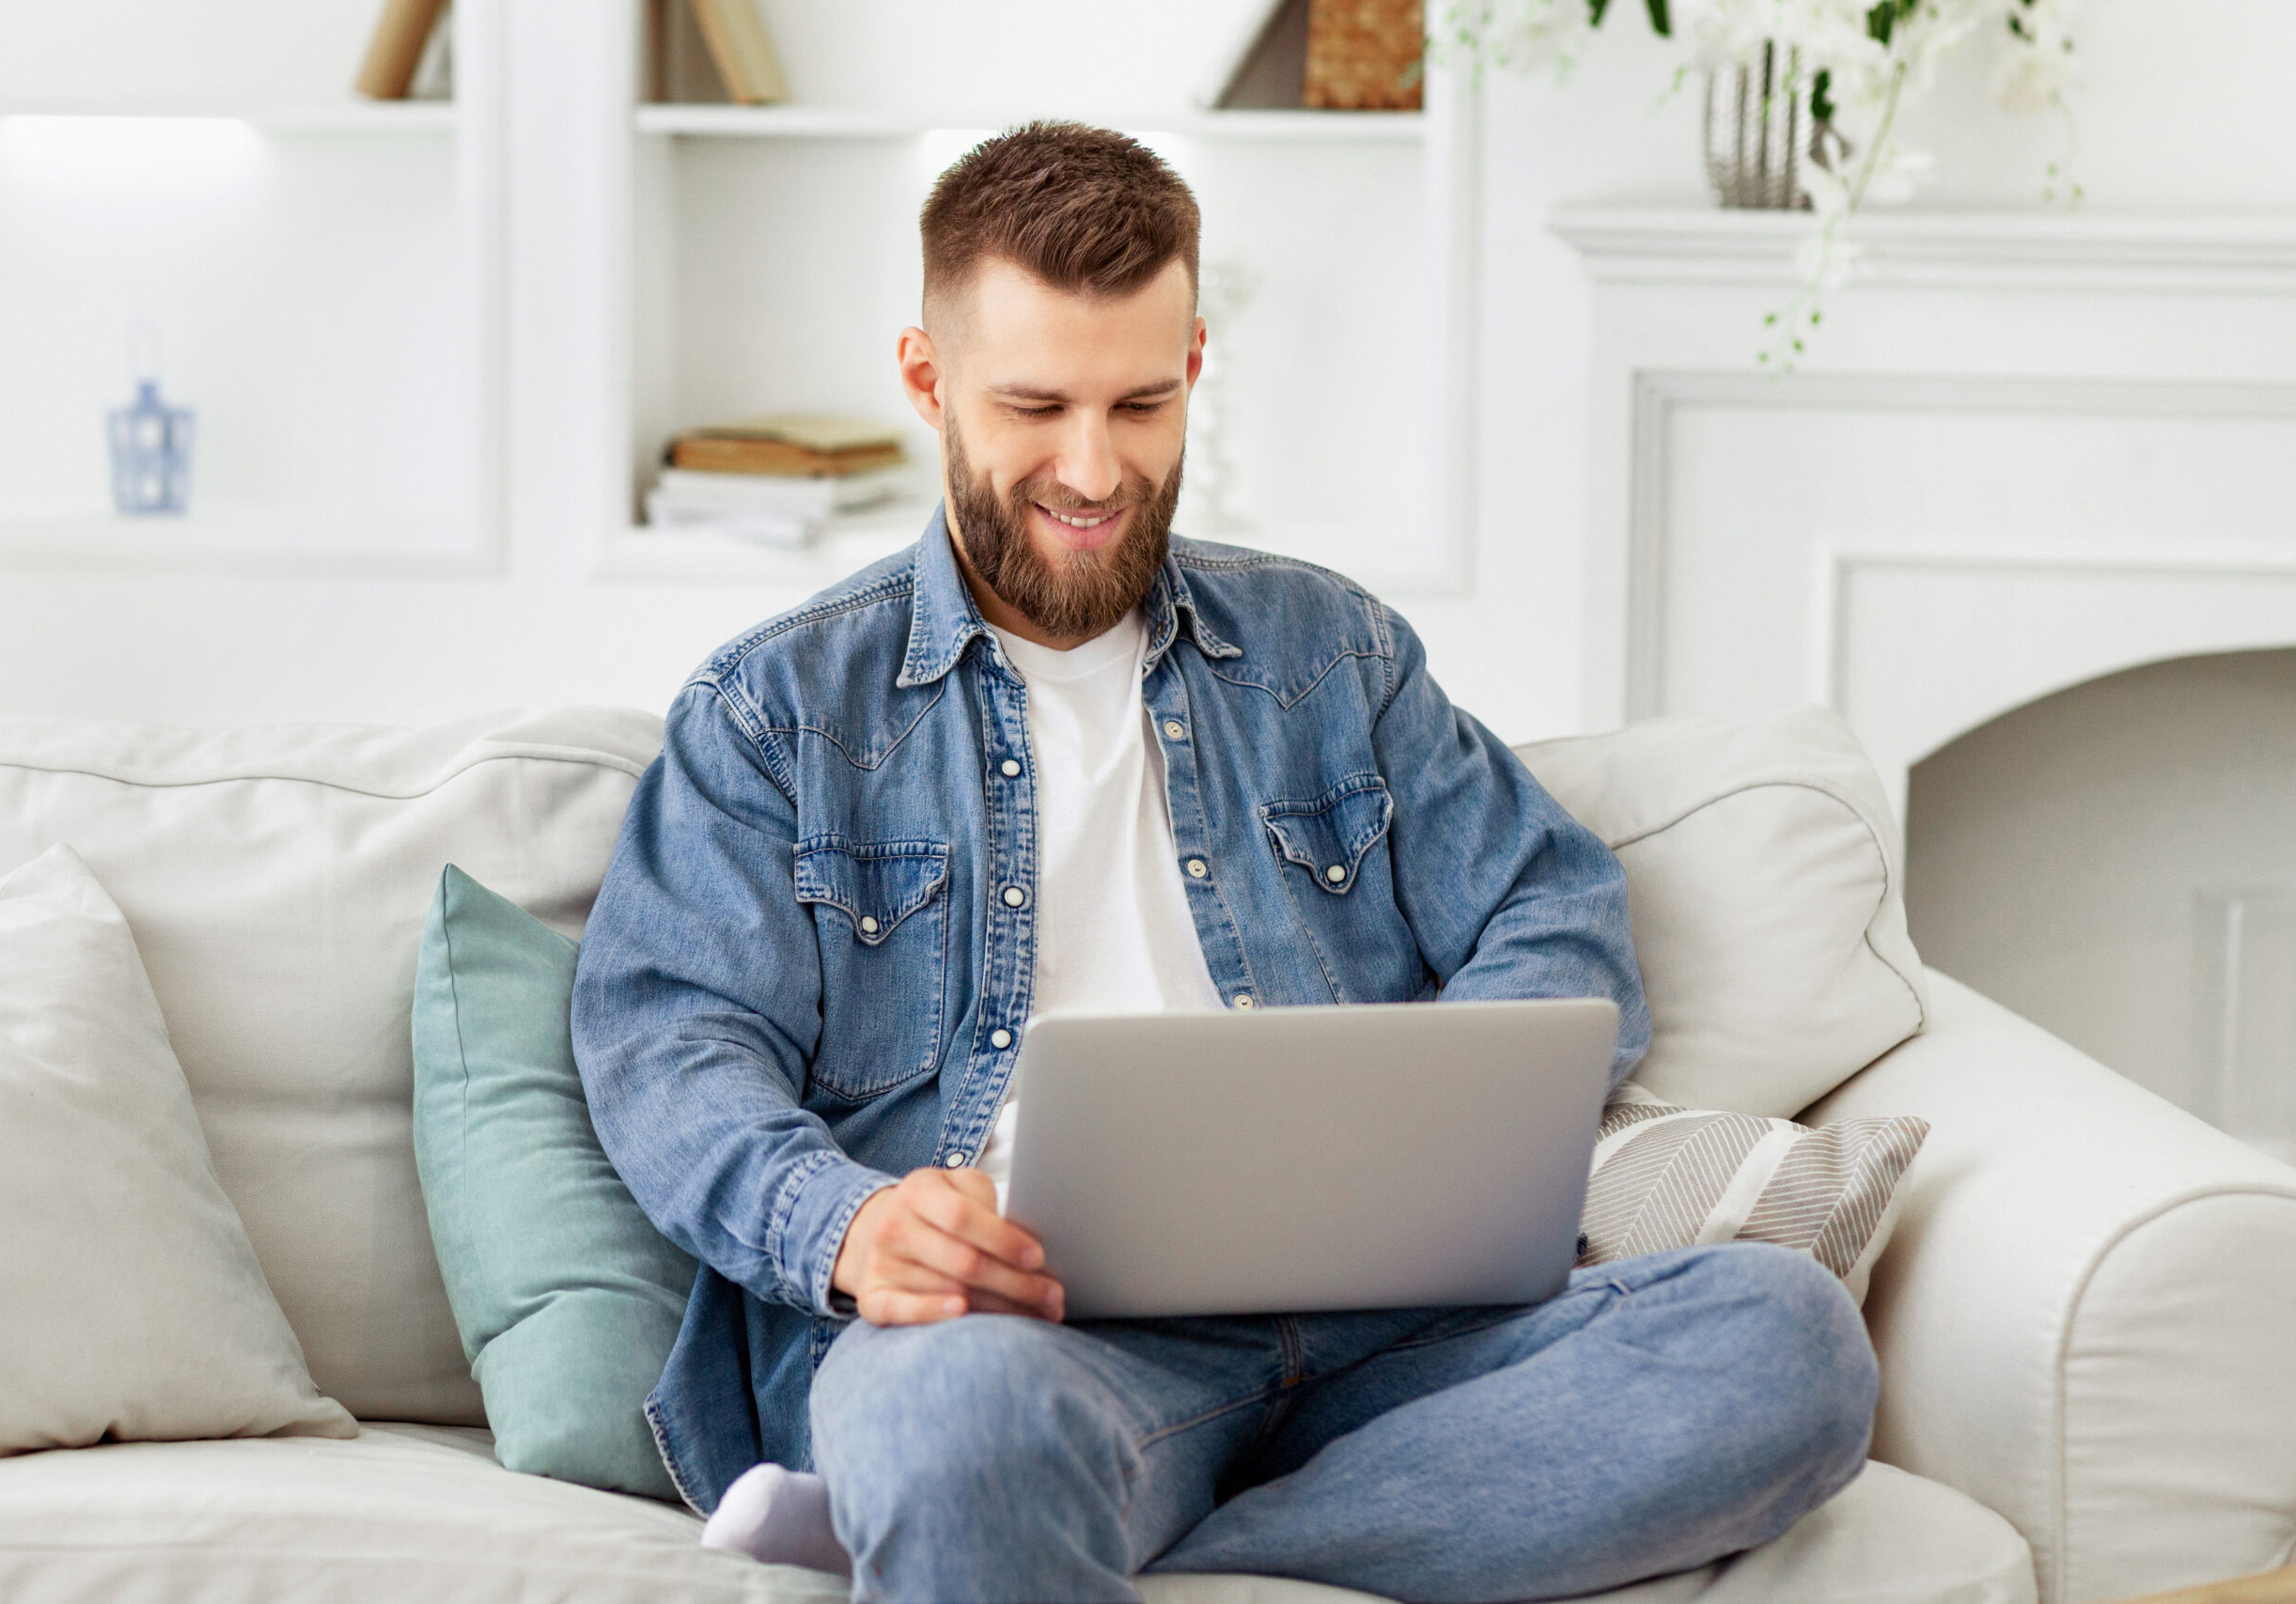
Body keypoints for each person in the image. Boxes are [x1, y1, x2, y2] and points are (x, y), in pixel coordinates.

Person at [572, 120, 1877, 1604]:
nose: (1093, 467)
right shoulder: (779, 709)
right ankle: (981, 1499)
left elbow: (1550, 905)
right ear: (929, 382)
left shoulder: (1334, 658)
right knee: (952, 1426)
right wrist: (850, 1221)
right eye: (1035, 406)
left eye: (1140, 401)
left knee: (1788, 1341)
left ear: (1195, 362)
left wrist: (1420, 1137)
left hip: (1394, 1340)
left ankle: (1087, 1542)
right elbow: (666, 1043)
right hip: (1025, 1356)